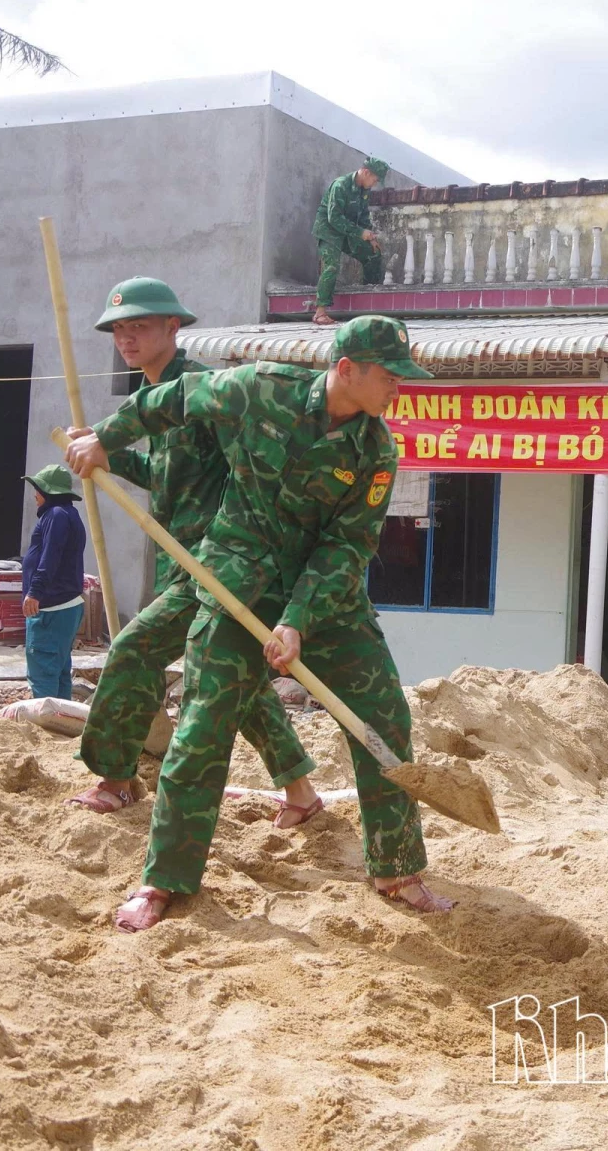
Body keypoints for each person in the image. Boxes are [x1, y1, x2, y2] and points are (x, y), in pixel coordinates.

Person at [65, 315, 451, 931]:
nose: (398, 389)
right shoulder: (261, 388)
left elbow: (346, 548)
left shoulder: (377, 450)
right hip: (236, 576)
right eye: (389, 376)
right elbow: (176, 397)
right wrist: (107, 439)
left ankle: (397, 868)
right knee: (203, 726)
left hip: (325, 600)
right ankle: (164, 881)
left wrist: (297, 620)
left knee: (383, 716)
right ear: (346, 370)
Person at [66, 277, 319, 826]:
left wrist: (242, 556)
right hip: (180, 558)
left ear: (173, 328)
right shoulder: (147, 402)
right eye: (119, 329)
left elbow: (249, 473)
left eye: (140, 326)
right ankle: (301, 793)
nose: (126, 338)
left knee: (134, 649)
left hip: (219, 562)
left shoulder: (203, 392)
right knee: (235, 678)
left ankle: (114, 778)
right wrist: (108, 461)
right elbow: (168, 476)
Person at [20, 464, 88, 700]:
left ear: (46, 491)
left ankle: (44, 732)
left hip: (51, 610)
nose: (34, 495)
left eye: (37, 489)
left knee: (43, 674)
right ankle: (60, 730)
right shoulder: (69, 514)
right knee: (58, 673)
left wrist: (34, 591)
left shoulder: (56, 515)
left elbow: (50, 557)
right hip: (65, 608)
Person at [311, 156, 389, 326]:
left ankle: (369, 303)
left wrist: (370, 238)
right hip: (329, 231)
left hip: (348, 232)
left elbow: (363, 216)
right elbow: (334, 218)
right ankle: (320, 312)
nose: (375, 183)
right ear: (366, 172)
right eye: (375, 179)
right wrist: (360, 232)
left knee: (373, 254)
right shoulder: (341, 185)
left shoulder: (364, 191)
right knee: (331, 266)